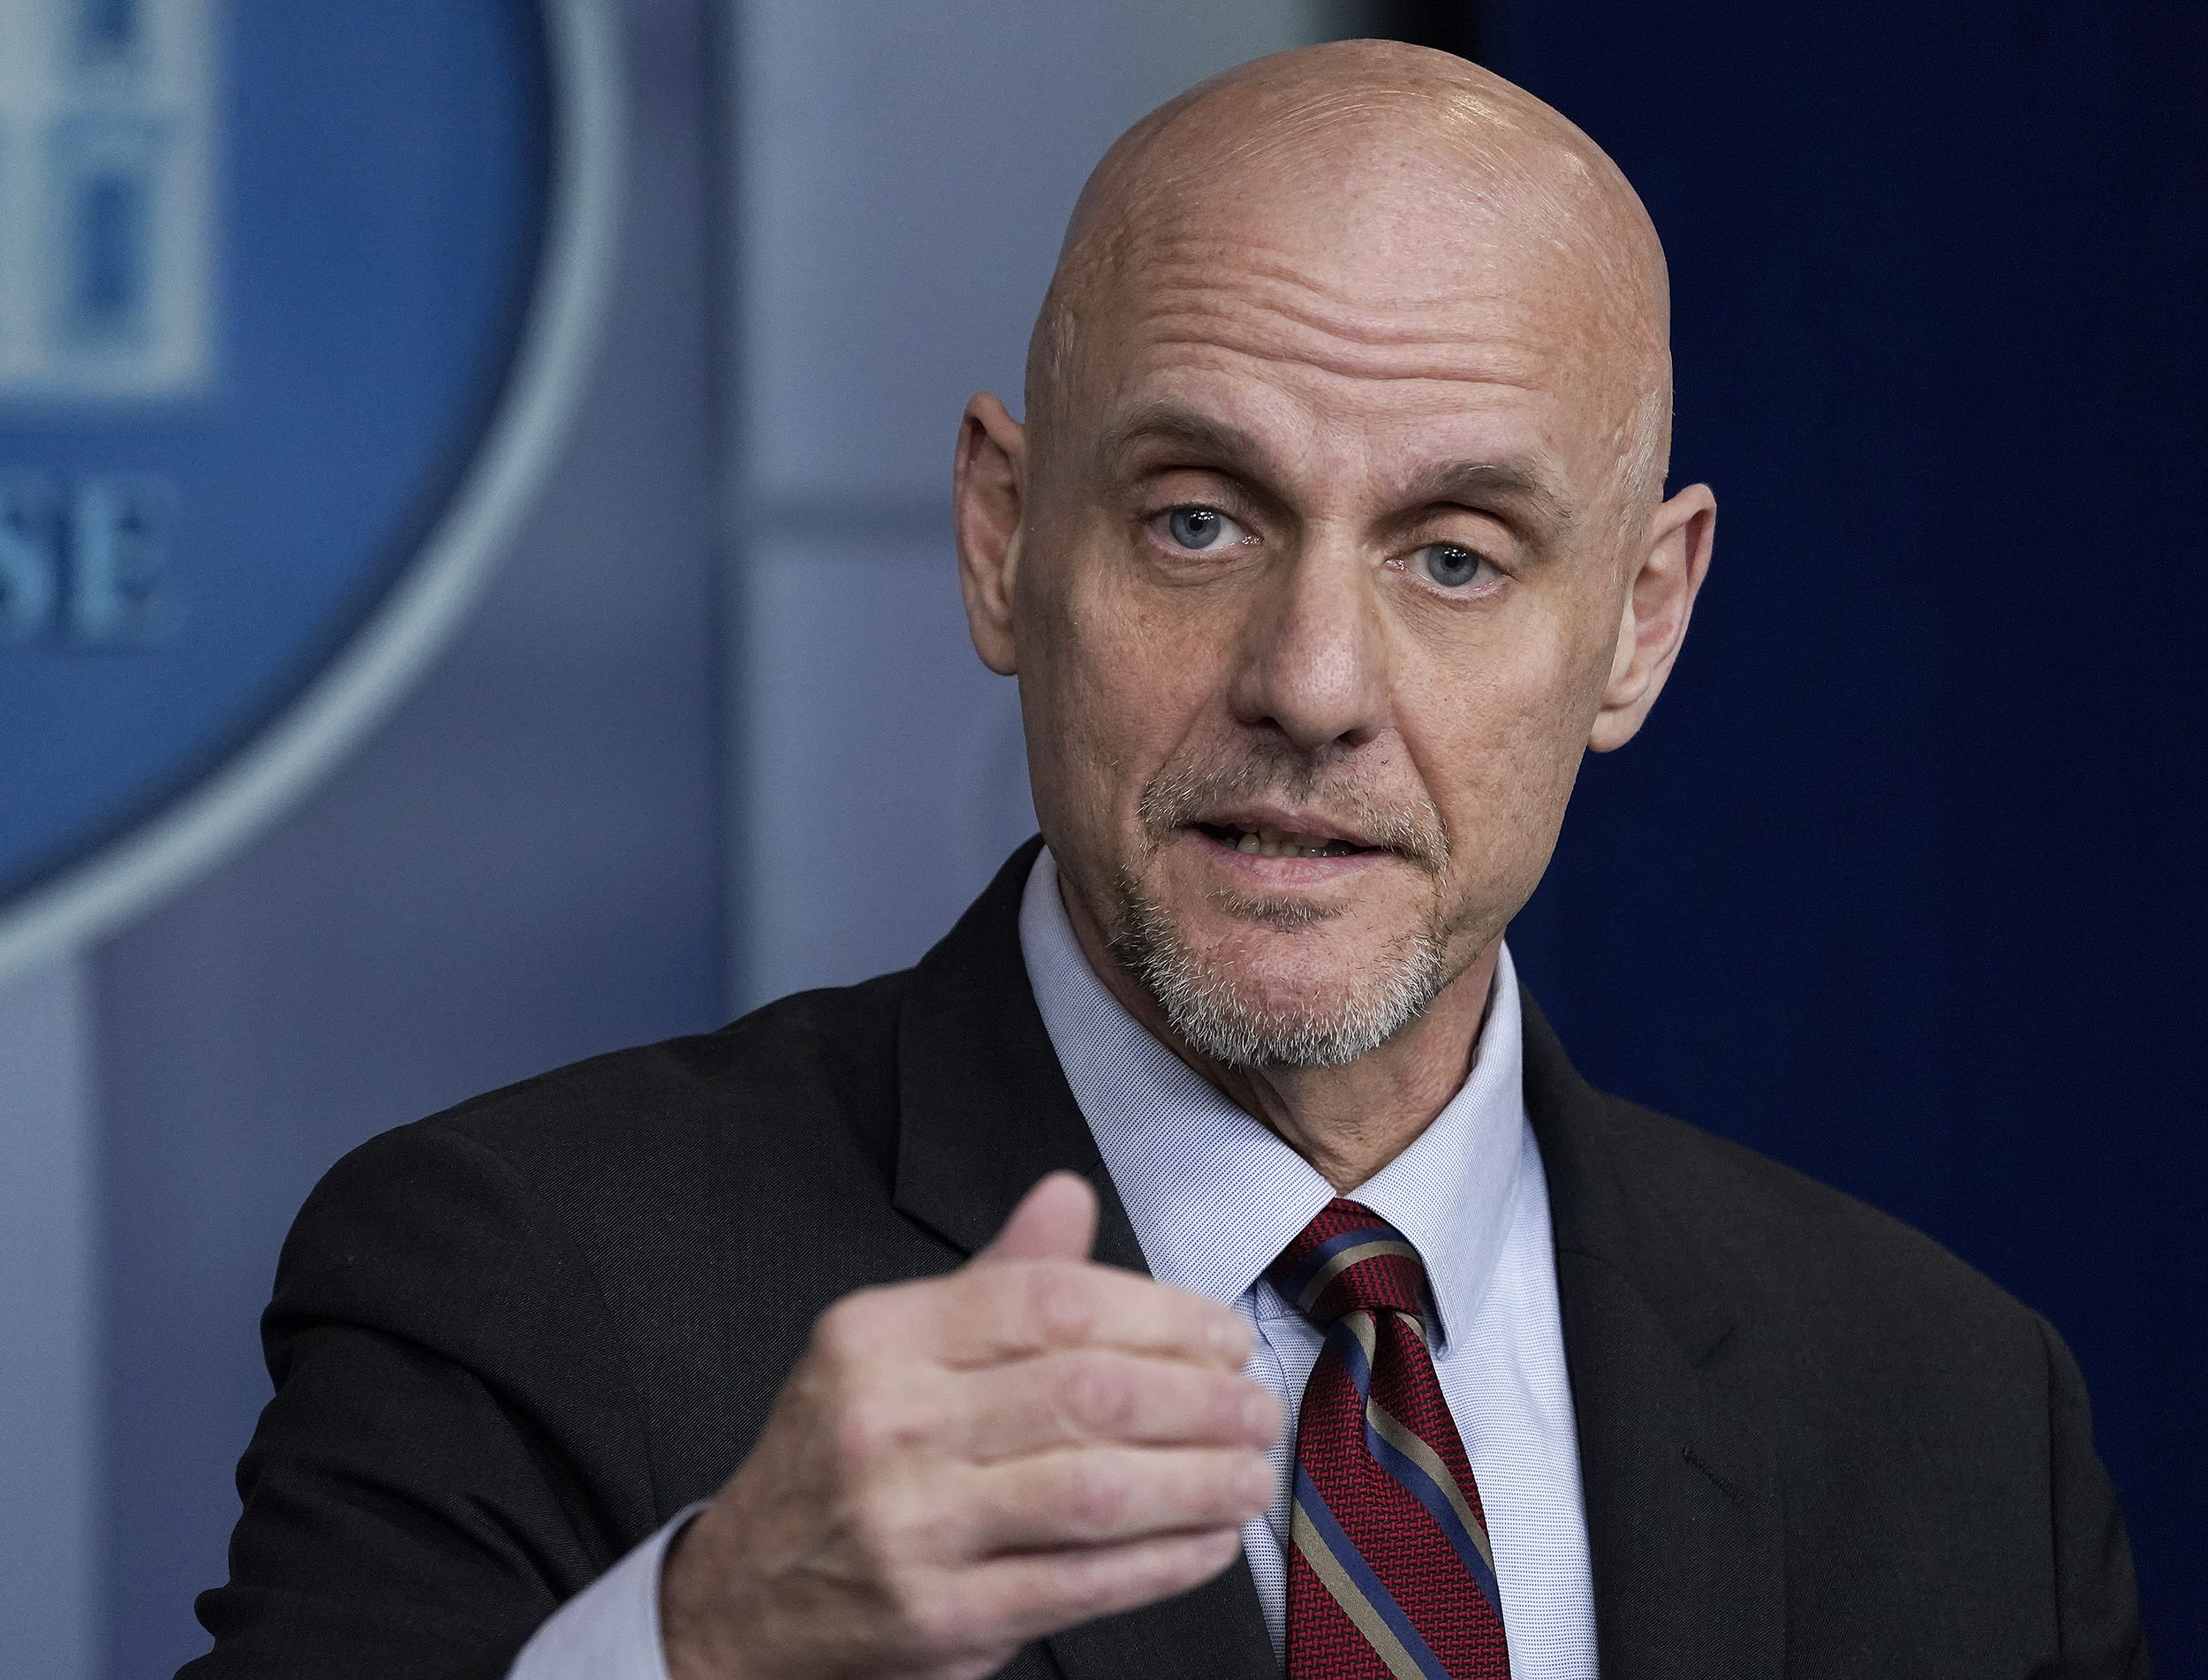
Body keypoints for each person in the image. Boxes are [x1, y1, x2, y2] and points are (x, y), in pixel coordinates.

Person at [183, 40, 2149, 1680]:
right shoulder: (517, 1276)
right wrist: (699, 1646)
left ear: (1637, 623)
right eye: (1199, 521)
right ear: (1000, 539)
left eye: (1454, 557)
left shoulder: (1955, 1419)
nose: (1309, 685)